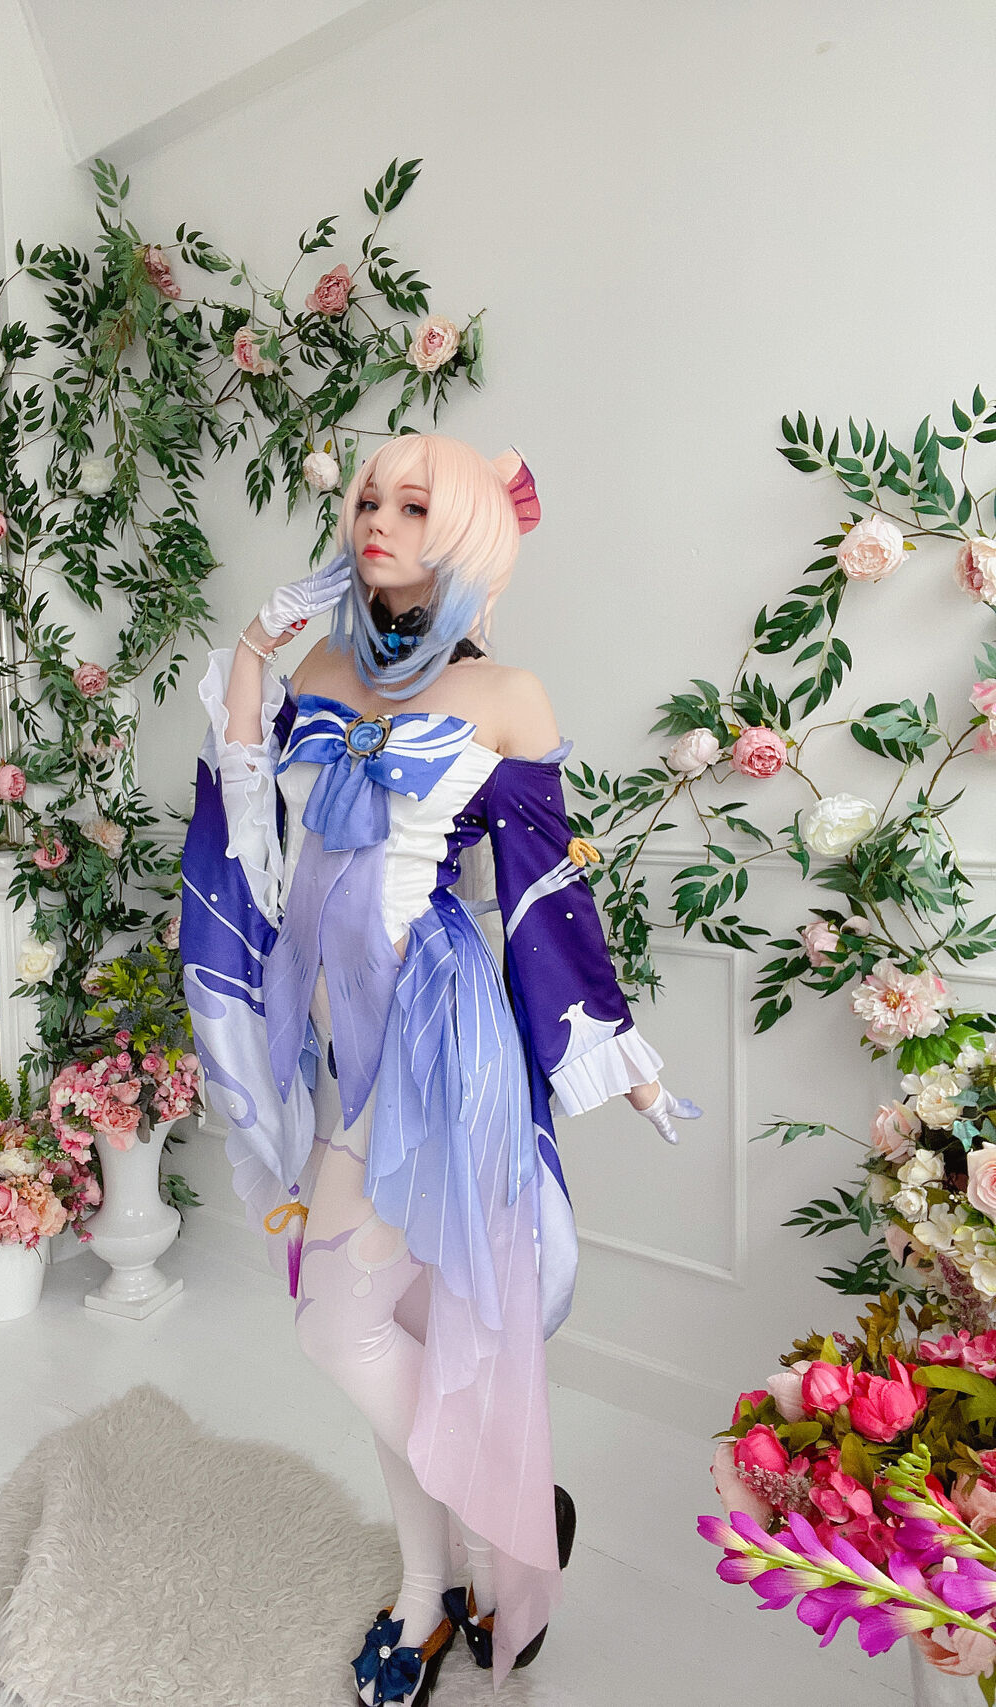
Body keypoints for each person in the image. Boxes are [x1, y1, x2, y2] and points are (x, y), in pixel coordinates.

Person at [179, 433, 699, 1704]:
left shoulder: (506, 695)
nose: (378, 519)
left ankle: (489, 1532)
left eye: (415, 506)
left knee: (336, 1318)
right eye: (369, 498)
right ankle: (436, 1583)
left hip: (435, 1039)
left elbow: (544, 892)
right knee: (392, 1324)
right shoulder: (317, 668)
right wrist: (249, 653)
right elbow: (246, 823)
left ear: (465, 537)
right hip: (336, 1036)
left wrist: (620, 1058)